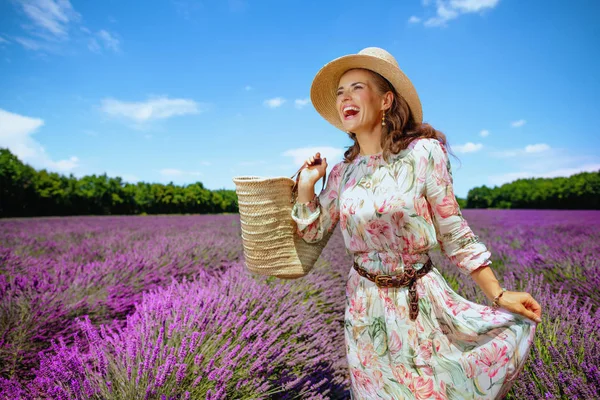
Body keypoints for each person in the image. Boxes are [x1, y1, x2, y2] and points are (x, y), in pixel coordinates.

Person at [291, 47, 542, 399]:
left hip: (418, 302)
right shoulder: (342, 173)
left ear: (386, 100)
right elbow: (313, 233)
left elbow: (454, 234)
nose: (345, 97)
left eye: (357, 87)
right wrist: (306, 186)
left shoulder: (423, 154)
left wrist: (498, 294)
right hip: (364, 308)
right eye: (340, 92)